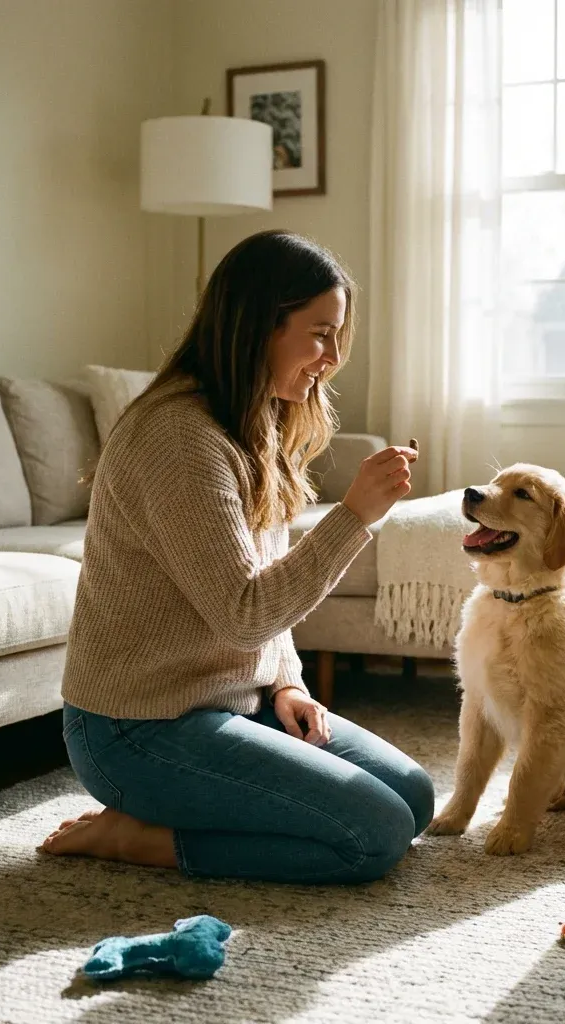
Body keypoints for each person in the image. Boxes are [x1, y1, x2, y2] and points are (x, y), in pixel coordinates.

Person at [40, 230, 434, 884]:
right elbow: (245, 613)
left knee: (413, 797)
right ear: (258, 326)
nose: (334, 357)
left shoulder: (254, 421)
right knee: (376, 835)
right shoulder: (179, 438)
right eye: (320, 334)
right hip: (139, 729)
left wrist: (287, 683)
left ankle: (204, 807)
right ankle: (140, 837)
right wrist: (353, 516)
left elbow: (262, 582)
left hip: (235, 703)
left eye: (338, 335)